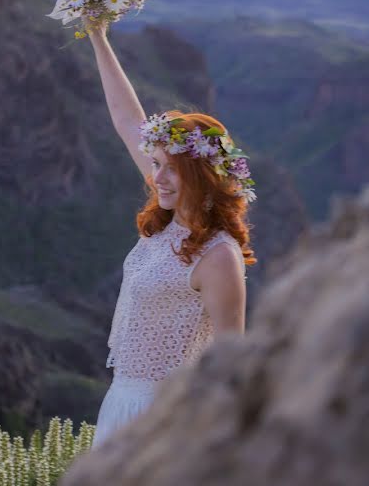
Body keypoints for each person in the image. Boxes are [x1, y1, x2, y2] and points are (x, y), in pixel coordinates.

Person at [86, 23, 257, 449]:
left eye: (170, 168)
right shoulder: (170, 218)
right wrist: (97, 36)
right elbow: (128, 120)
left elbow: (230, 363)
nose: (155, 177)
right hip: (121, 403)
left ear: (200, 177)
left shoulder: (219, 256)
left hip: (163, 421)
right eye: (155, 163)